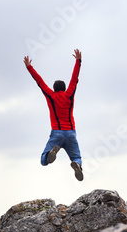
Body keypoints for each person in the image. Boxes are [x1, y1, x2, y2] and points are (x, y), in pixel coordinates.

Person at [24, 49, 84, 181]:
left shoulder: (51, 96)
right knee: (76, 157)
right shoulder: (69, 95)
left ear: (54, 88)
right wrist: (78, 61)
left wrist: (29, 67)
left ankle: (51, 153)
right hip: (71, 133)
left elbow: (39, 82)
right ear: (64, 88)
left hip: (56, 133)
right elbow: (74, 79)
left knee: (43, 160)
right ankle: (77, 165)